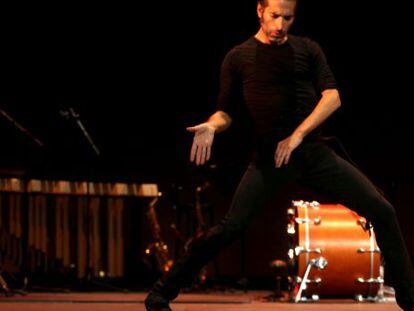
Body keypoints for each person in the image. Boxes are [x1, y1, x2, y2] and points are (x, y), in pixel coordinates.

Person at [145, 0, 414, 310]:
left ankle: (407, 296)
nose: (280, 25)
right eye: (274, 16)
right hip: (269, 160)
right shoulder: (238, 57)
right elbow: (226, 112)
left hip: (313, 154)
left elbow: (333, 97)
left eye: (288, 18)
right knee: (231, 227)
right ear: (259, 11)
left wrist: (297, 135)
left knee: (382, 209)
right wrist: (211, 126)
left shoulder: (308, 49)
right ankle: (162, 291)